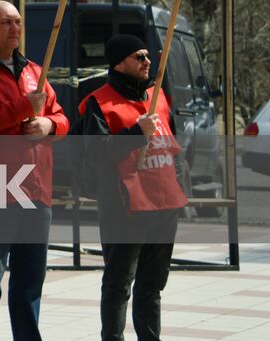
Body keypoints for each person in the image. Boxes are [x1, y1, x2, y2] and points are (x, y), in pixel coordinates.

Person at [0, 1, 68, 341]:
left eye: (18, 22)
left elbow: (62, 117)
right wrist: (24, 108)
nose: (15, 28)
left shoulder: (35, 69)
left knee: (30, 281)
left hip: (36, 189)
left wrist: (49, 124)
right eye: (6, 22)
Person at [77, 34, 186, 341]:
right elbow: (96, 152)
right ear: (120, 62)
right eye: (139, 57)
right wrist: (136, 132)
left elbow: (171, 144)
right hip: (124, 207)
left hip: (164, 205)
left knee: (152, 285)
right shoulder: (98, 102)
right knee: (118, 284)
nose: (147, 62)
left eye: (148, 56)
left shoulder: (157, 96)